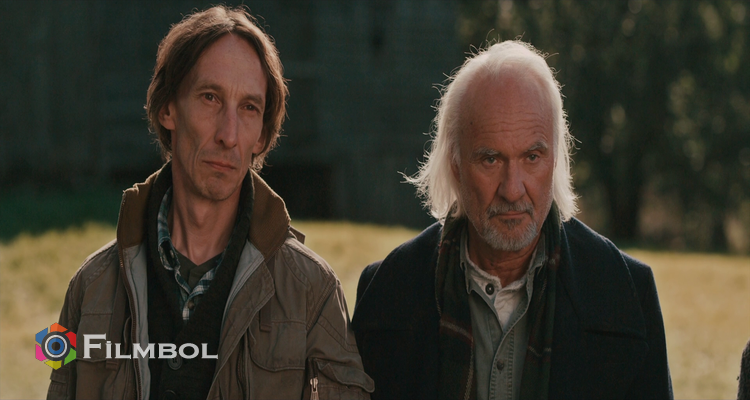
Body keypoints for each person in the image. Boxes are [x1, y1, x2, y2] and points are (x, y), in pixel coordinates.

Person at [47, 6, 372, 400]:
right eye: (210, 98)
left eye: (249, 108)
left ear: (261, 135)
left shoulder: (313, 293)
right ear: (168, 109)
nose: (228, 135)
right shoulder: (89, 287)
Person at [352, 40, 672, 400]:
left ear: (556, 159)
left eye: (532, 157)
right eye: (490, 159)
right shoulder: (388, 291)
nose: (512, 189)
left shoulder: (625, 294)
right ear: (455, 165)